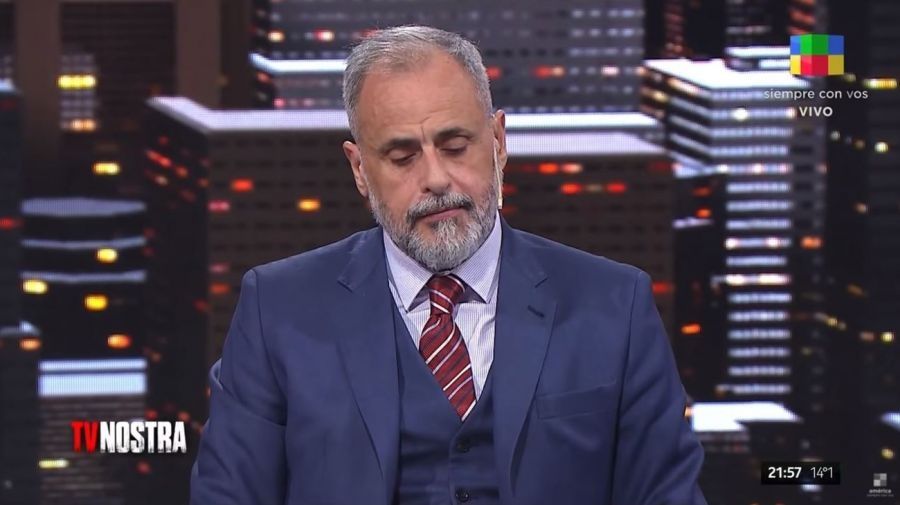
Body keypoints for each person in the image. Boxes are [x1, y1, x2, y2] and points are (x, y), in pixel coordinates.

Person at [191, 25, 707, 505]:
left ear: (498, 143)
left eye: (455, 147)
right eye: (402, 158)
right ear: (360, 169)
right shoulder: (277, 310)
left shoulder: (615, 306)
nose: (436, 179)